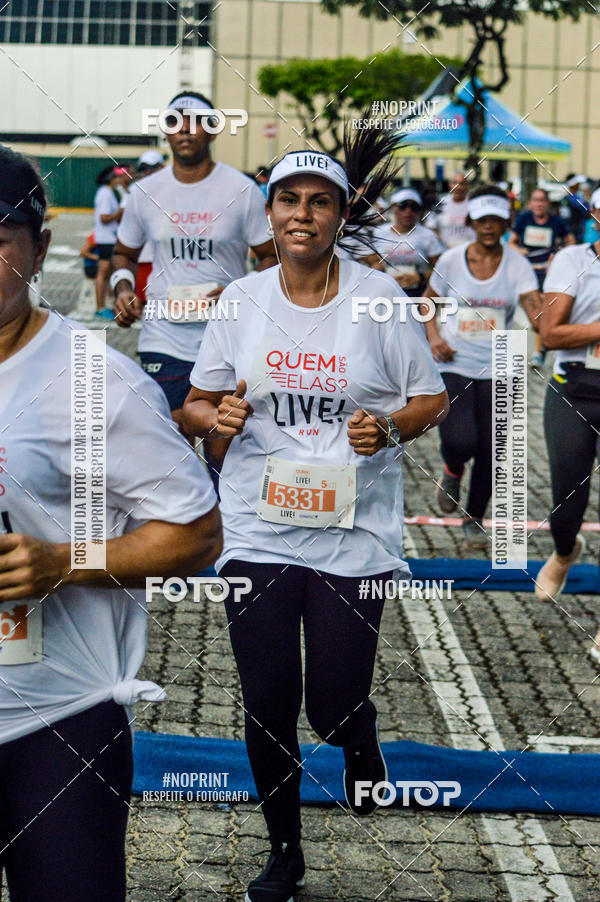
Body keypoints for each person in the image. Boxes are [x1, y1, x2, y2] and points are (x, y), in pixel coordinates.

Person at [182, 129, 449, 902]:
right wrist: (214, 422)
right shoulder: (241, 300)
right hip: (257, 527)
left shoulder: (378, 297)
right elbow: (194, 402)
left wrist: (391, 427)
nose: (302, 214)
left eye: (319, 202)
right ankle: (284, 854)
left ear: (339, 216)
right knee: (267, 699)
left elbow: (428, 395)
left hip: (353, 535)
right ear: (269, 215)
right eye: (289, 201)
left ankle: (357, 742)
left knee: (332, 705)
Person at [0, 144, 222, 901]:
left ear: (39, 249)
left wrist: (65, 560)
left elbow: (196, 532)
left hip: (56, 720)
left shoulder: (97, 381)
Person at [111, 90, 277, 479]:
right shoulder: (144, 193)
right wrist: (122, 288)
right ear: (166, 133)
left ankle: (227, 534)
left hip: (226, 341)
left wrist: (245, 287)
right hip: (163, 338)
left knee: (224, 456)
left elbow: (271, 258)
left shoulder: (242, 191)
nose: (185, 130)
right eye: (175, 122)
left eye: (195, 122)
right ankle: (182, 535)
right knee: (170, 455)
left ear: (214, 130)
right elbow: (123, 255)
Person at [423, 184, 542, 548]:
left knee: (494, 447)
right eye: (482, 219)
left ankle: (474, 516)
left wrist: (555, 325)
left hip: (500, 363)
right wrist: (433, 338)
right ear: (472, 221)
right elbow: (429, 304)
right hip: (455, 360)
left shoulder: (517, 264)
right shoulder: (451, 261)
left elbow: (536, 309)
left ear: (507, 221)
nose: (489, 226)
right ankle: (453, 469)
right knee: (461, 440)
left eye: (496, 219)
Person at [536, 188, 600, 626]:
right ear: (595, 213)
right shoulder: (574, 260)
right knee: (567, 504)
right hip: (574, 388)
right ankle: (564, 551)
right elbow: (550, 335)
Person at [509, 187, 574, 367]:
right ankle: (536, 348)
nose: (538, 204)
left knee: (543, 311)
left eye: (542, 200)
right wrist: (519, 251)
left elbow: (570, 240)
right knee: (536, 312)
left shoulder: (556, 222)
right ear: (530, 203)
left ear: (547, 203)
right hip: (528, 272)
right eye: (535, 200)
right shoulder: (524, 219)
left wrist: (562, 253)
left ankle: (538, 352)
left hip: (549, 272)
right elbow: (511, 241)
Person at [375, 188, 444, 296]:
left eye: (414, 207)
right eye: (403, 206)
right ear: (393, 207)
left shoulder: (427, 235)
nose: (408, 211)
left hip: (418, 294)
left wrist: (419, 277)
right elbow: (372, 264)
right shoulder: (379, 233)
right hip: (386, 293)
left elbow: (441, 270)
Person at [93, 165, 128, 320]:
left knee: (107, 273)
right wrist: (120, 212)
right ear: (112, 178)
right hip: (106, 238)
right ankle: (100, 307)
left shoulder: (106, 192)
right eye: (119, 177)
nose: (121, 180)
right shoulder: (106, 193)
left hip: (107, 238)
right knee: (103, 273)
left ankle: (106, 304)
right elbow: (104, 218)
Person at [425, 171, 476, 249]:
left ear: (468, 186)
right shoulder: (440, 204)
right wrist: (442, 244)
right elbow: (430, 227)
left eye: (462, 184)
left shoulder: (474, 205)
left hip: (470, 253)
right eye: (454, 183)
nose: (457, 187)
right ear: (450, 185)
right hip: (445, 252)